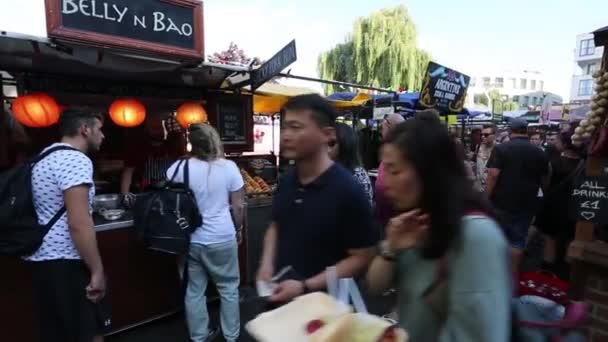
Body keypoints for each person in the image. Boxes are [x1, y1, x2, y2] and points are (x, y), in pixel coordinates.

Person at [366, 110, 511, 342]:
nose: (385, 184)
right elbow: (375, 285)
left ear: (428, 170)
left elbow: (480, 334)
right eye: (386, 170)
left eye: (395, 171)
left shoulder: (477, 236)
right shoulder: (415, 221)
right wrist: (390, 248)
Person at [257, 94, 376, 303]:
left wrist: (305, 286)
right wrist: (266, 265)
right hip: (282, 297)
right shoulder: (287, 180)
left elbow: (361, 257)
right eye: (284, 127)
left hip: (327, 309)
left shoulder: (347, 190)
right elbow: (275, 225)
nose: (285, 135)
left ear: (327, 135)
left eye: (296, 127)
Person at [27, 107, 108, 342]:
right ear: (85, 129)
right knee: (88, 331)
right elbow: (78, 222)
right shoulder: (75, 159)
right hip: (67, 260)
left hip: (43, 259)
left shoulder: (43, 157)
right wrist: (97, 270)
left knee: (58, 332)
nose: (103, 136)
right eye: (99, 130)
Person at [166, 124, 245, 342]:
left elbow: (171, 202)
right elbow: (238, 207)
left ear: (192, 143)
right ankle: (231, 336)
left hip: (189, 238)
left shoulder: (178, 168)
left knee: (194, 291)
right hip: (222, 236)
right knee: (229, 289)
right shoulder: (229, 168)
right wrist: (238, 229)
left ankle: (199, 336)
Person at [486, 118, 550, 276]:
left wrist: (486, 198)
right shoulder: (538, 152)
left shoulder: (501, 149)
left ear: (509, 130)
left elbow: (493, 175)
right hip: (527, 203)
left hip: (501, 202)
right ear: (526, 131)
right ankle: (512, 278)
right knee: (517, 241)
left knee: (498, 238)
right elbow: (546, 177)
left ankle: (496, 275)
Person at [536, 126, 583, 280]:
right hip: (575, 207)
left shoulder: (553, 161)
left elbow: (545, 183)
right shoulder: (585, 164)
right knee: (571, 240)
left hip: (552, 206)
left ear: (564, 143)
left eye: (558, 139)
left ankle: (547, 277)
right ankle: (566, 278)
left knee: (550, 240)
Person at [121, 115, 186, 203]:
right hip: (147, 194)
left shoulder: (171, 146)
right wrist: (125, 195)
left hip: (170, 192)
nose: (159, 131)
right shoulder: (139, 149)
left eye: (160, 128)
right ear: (146, 130)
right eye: (154, 128)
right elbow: (128, 172)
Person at [329, 122, 373, 205]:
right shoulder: (330, 169)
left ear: (345, 145)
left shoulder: (356, 177)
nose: (325, 148)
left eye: (331, 144)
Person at [375, 113, 405, 226]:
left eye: (383, 126)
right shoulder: (389, 148)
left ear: (389, 126)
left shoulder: (400, 151)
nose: (381, 129)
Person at [473, 124, 496, 191]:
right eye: (481, 135)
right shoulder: (478, 146)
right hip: (478, 188)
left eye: (486, 135)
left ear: (494, 135)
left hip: (491, 189)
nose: (483, 137)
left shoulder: (499, 149)